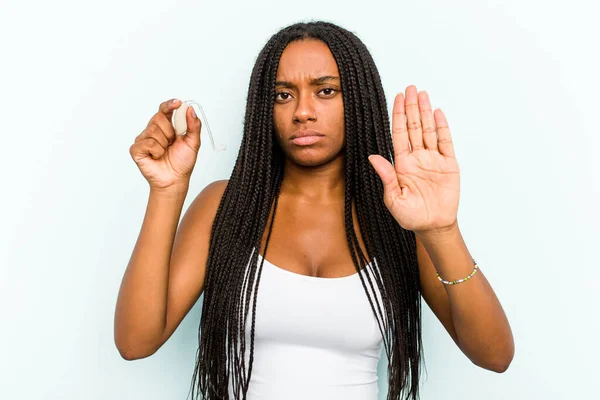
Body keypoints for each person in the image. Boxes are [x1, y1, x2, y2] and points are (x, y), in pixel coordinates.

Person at [114, 21, 514, 400]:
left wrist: (442, 230)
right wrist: (167, 191)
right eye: (282, 95)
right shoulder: (226, 207)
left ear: (357, 99)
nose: (302, 111)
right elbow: (135, 342)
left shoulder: (400, 215)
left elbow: (494, 355)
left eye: (325, 91)